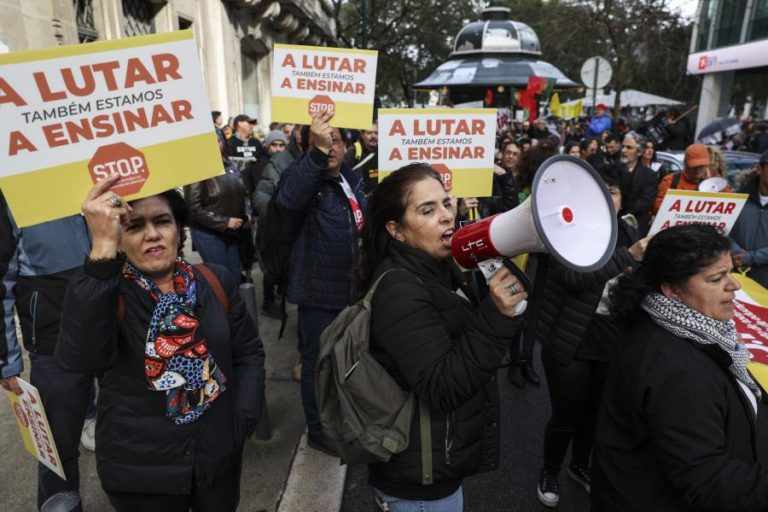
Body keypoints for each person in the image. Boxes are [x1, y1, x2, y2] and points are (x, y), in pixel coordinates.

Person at [56, 174, 265, 512]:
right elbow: (79, 359)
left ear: (178, 228)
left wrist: (241, 420)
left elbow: (248, 355)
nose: (152, 233)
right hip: (141, 476)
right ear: (120, 237)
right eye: (134, 225)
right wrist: (102, 253)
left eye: (162, 221)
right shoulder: (104, 292)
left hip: (216, 462)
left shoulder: (214, 280)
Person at [359, 163, 526, 511]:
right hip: (419, 484)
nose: (447, 216)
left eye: (447, 204)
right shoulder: (400, 290)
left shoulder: (438, 266)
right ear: (397, 230)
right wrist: (495, 315)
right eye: (427, 210)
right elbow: (442, 386)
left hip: (433, 463)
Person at [593, 224, 768, 511]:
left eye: (730, 272)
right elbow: (707, 480)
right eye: (716, 278)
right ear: (671, 289)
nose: (734, 285)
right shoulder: (681, 371)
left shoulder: (654, 316)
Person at [534, 166, 647, 507]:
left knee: (596, 414)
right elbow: (575, 278)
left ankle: (579, 466)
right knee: (567, 414)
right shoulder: (564, 227)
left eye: (613, 191)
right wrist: (629, 256)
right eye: (601, 190)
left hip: (611, 340)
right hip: (571, 340)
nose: (608, 198)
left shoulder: (630, 230)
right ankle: (550, 470)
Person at [0, 195, 98, 510]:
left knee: (136, 424)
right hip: (53, 338)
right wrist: (6, 359)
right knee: (56, 445)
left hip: (117, 321)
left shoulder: (91, 173)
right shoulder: (12, 190)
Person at [276, 111, 366, 453]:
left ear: (347, 147)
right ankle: (319, 430)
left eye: (336, 141)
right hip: (319, 293)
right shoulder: (301, 178)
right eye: (323, 142)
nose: (331, 147)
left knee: (349, 362)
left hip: (353, 290)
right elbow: (287, 202)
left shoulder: (352, 179)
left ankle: (344, 418)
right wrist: (315, 154)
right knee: (317, 364)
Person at [185, 131, 251, 282]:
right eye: (210, 142)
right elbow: (194, 209)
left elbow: (245, 193)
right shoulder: (196, 169)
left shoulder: (230, 165)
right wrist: (225, 222)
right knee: (221, 280)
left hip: (233, 232)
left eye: (219, 141)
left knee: (234, 277)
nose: (216, 145)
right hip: (209, 234)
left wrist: (247, 215)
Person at [652, 143, 732, 215]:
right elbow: (657, 207)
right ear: (685, 163)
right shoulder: (670, 181)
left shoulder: (717, 182)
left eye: (701, 166)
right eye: (694, 166)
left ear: (707, 164)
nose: (697, 170)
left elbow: (730, 205)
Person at [730, 149, 768, 288]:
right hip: (733, 276)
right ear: (759, 169)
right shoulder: (738, 198)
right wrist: (735, 252)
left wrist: (751, 258)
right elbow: (723, 229)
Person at [618, 133, 658, 234]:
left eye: (629, 147)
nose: (623, 150)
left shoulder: (649, 175)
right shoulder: (611, 170)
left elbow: (645, 202)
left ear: (639, 152)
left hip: (635, 228)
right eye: (622, 146)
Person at [344, 121, 379, 194]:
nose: (373, 136)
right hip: (361, 199)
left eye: (376, 133)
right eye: (369, 133)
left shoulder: (383, 151)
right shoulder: (353, 151)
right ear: (362, 135)